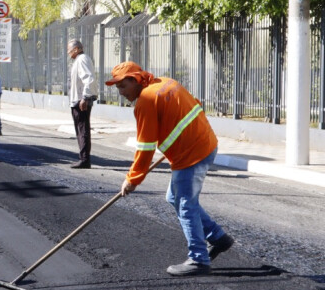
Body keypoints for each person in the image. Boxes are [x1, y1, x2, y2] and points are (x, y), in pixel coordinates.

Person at [108, 61, 234, 276]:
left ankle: (198, 260)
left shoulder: (146, 101)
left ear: (136, 79)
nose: (120, 92)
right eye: (117, 87)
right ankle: (218, 237)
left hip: (191, 155)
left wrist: (132, 179)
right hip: (205, 144)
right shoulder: (167, 83)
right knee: (174, 198)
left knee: (186, 203)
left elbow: (145, 147)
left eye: (122, 86)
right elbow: (197, 104)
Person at [67, 39, 98, 169]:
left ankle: (85, 159)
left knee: (83, 129)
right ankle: (83, 158)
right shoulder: (79, 60)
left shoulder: (82, 59)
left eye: (69, 50)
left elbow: (89, 78)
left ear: (76, 49)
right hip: (78, 100)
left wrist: (85, 97)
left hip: (81, 101)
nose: (68, 53)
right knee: (81, 130)